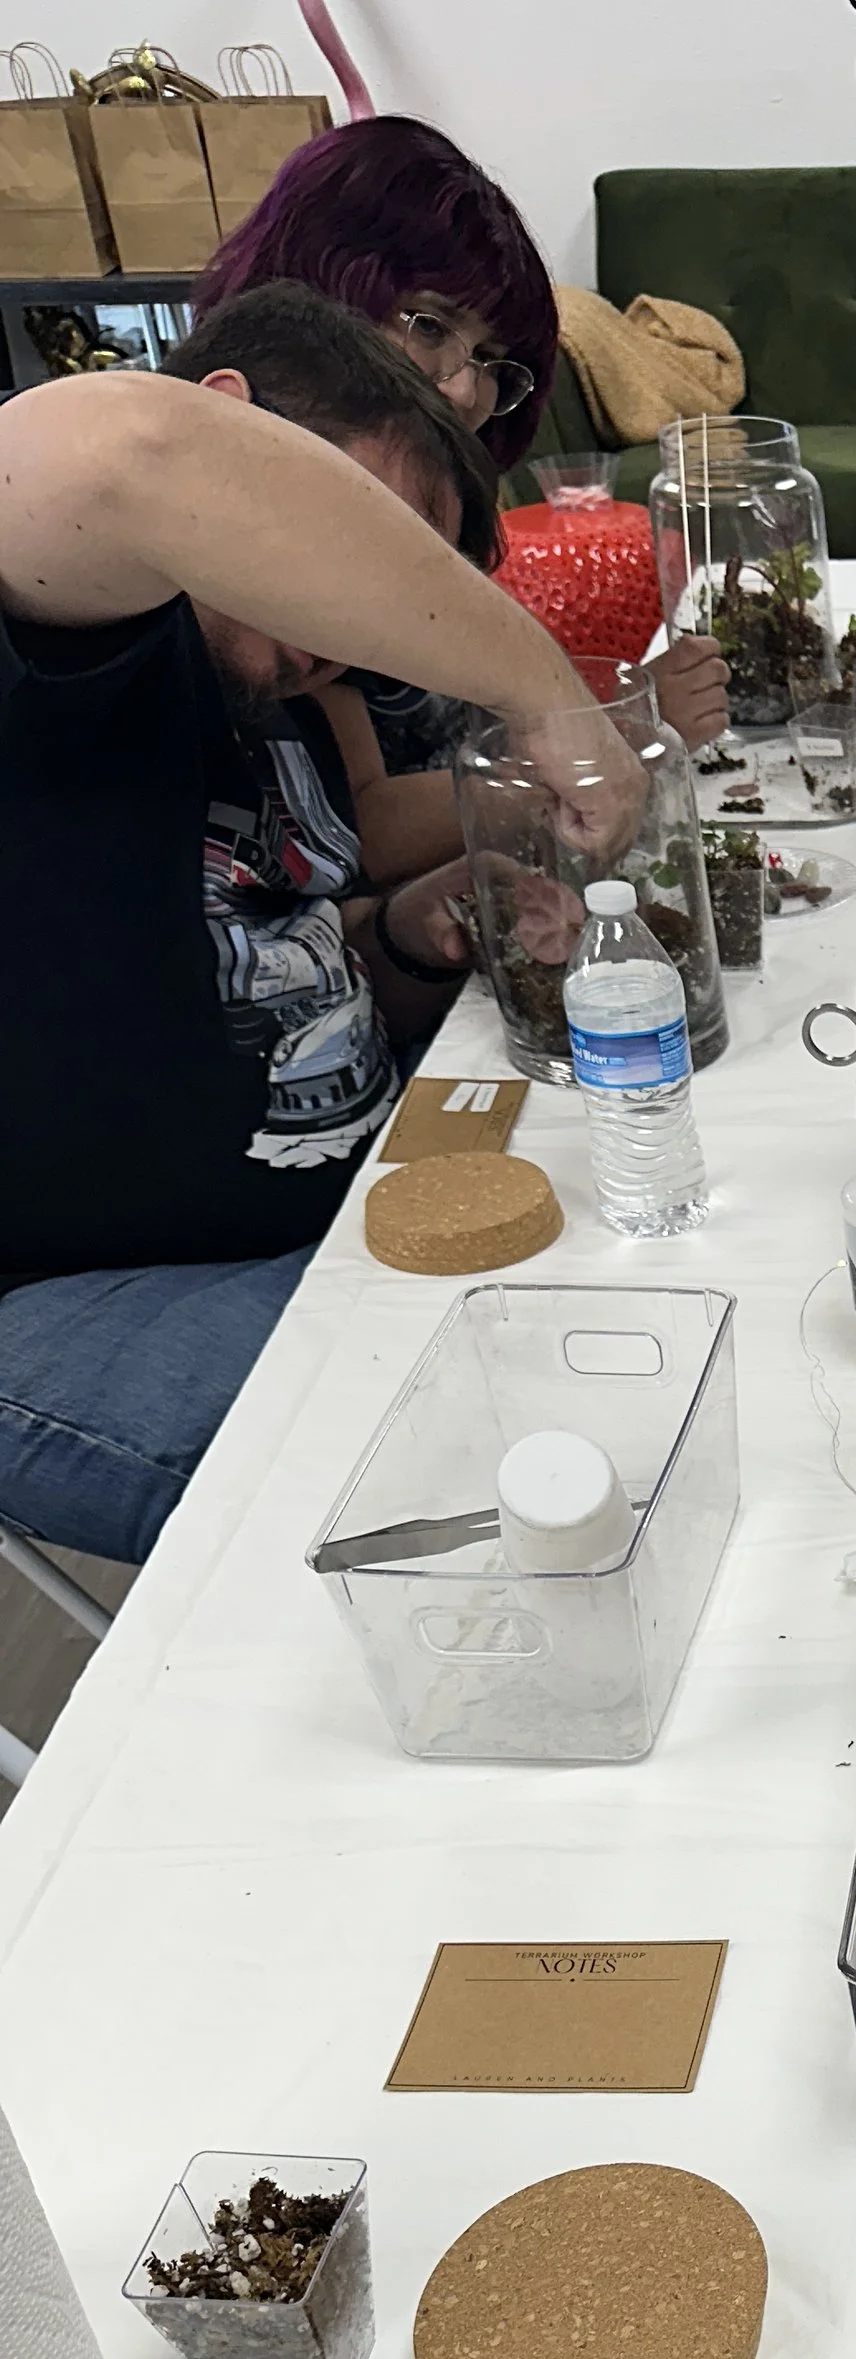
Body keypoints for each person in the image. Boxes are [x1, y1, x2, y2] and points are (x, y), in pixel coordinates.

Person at [0, 282, 635, 1565]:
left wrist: (403, 934)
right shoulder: (74, 646)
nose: (357, 628)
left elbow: (253, 979)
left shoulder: (284, 699)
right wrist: (547, 695)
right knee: (530, 1478)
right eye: (362, 538)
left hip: (352, 1212)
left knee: (658, 1316)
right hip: (79, 1294)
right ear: (231, 417)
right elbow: (129, 448)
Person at [192, 115, 723, 879]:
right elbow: (356, 822)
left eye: (492, 362)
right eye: (432, 325)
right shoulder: (262, 558)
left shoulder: (419, 504)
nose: (469, 390)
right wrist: (617, 735)